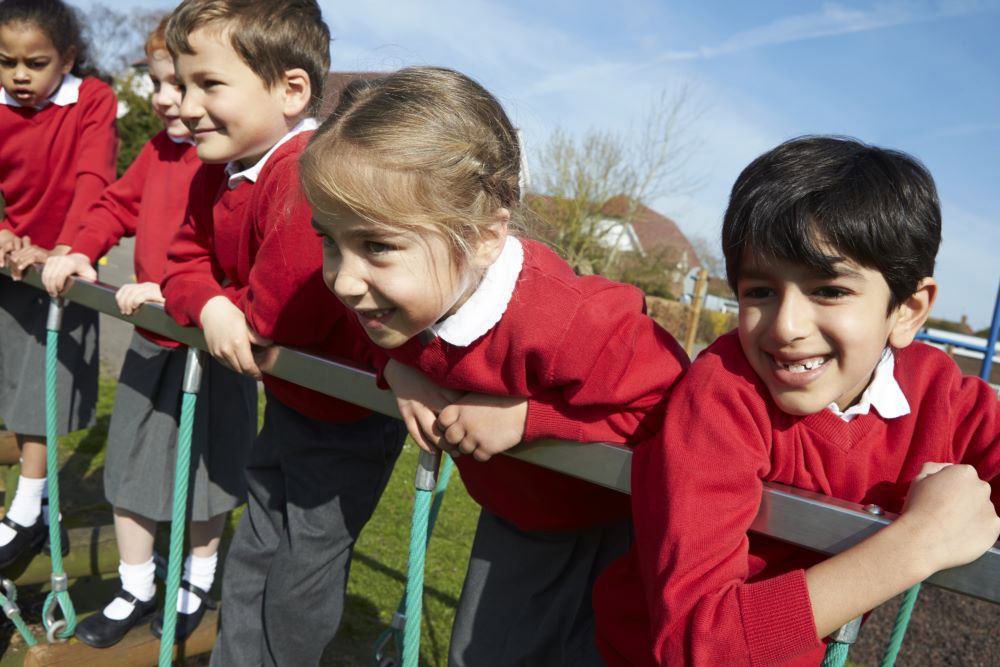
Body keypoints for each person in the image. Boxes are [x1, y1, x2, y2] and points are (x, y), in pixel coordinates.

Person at [300, 66, 690, 666]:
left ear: (483, 238)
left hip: (617, 536)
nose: (345, 280)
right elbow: (369, 336)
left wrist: (528, 421)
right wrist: (400, 373)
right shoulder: (401, 302)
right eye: (331, 241)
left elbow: (676, 414)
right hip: (515, 520)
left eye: (377, 245)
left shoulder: (572, 323)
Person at [592, 136, 1000, 666]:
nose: (785, 326)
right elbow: (698, 644)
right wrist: (916, 545)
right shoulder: (722, 395)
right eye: (759, 291)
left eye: (828, 290)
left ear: (907, 309)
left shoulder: (941, 397)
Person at [159, 2, 407, 663]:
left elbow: (279, 317)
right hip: (294, 399)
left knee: (302, 573)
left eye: (209, 85)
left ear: (292, 90)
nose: (185, 104)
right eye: (182, 84)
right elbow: (181, 261)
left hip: (352, 412)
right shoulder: (218, 171)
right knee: (256, 550)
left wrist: (211, 299)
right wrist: (209, 306)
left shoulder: (305, 171)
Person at [40, 16, 258, 647]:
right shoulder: (160, 151)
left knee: (210, 475)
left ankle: (196, 579)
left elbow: (243, 255)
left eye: (180, 85)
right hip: (149, 342)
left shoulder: (231, 164)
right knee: (130, 467)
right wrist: (81, 249)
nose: (166, 99)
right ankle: (135, 583)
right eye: (162, 83)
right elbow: (115, 204)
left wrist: (181, 291)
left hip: (212, 349)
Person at [0, 0, 116, 568]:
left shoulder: (91, 99)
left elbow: (93, 175)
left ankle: (25, 512)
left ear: (66, 58)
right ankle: (39, 512)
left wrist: (68, 249)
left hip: (62, 267)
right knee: (11, 386)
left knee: (35, 393)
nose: (19, 75)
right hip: (11, 262)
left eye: (35, 62)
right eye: (6, 62)